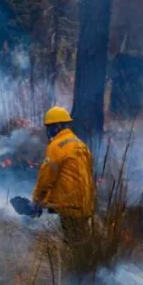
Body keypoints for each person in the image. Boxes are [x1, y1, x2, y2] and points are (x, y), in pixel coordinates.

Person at [31, 106, 96, 247]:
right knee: (82, 241)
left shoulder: (56, 147)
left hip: (69, 206)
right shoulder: (81, 145)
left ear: (57, 126)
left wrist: (36, 201)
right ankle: (88, 265)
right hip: (86, 203)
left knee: (73, 245)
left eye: (49, 127)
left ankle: (78, 268)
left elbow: (46, 178)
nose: (48, 131)